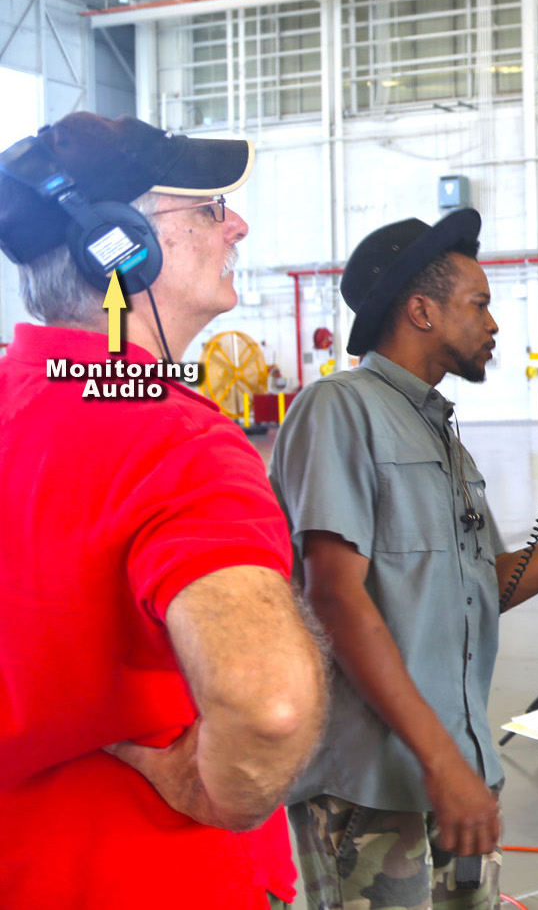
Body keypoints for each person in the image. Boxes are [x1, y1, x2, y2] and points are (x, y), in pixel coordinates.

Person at [271, 210, 538, 909]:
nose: (493, 324)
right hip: (376, 788)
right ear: (422, 311)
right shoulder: (340, 408)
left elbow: (489, 582)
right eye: (479, 304)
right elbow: (335, 597)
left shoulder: (439, 431)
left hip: (459, 771)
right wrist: (441, 762)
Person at [0, 112, 328, 909]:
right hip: (159, 879)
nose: (235, 224)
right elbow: (269, 703)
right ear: (121, 246)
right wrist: (212, 789)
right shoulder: (174, 442)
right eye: (209, 209)